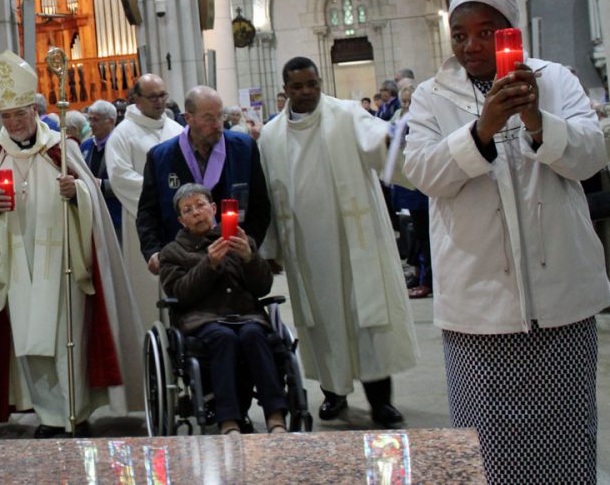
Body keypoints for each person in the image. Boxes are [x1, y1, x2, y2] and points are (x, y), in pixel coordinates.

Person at [403, 0, 610, 484]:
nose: (471, 45)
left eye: (486, 32)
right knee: (489, 441)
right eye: (460, 34)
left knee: (566, 436)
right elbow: (423, 172)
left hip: (561, 294)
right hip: (478, 303)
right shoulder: (432, 98)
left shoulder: (555, 80)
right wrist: (482, 131)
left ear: (510, 33)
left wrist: (537, 119)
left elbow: (590, 156)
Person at [0, 50, 142, 438]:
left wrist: (75, 191)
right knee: (30, 344)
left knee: (67, 340)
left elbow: (91, 199)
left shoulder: (62, 150)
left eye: (20, 115)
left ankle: (74, 412)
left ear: (34, 110)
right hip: (16, 265)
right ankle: (48, 415)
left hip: (62, 262)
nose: (13, 123)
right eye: (6, 117)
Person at [258, 56, 417, 429]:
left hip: (354, 240)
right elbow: (268, 194)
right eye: (297, 86)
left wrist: (393, 140)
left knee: (368, 319)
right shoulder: (270, 136)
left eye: (312, 83)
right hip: (309, 251)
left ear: (319, 81)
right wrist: (271, 250)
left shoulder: (346, 114)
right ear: (285, 90)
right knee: (324, 323)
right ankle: (334, 394)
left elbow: (380, 141)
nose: (306, 91)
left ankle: (381, 403)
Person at [158, 183, 286, 435]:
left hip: (246, 315)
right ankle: (228, 418)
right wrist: (209, 264)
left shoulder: (239, 239)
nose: (196, 213)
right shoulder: (173, 252)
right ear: (181, 220)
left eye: (201, 205)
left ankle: (275, 414)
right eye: (188, 209)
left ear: (213, 208)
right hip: (203, 320)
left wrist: (250, 258)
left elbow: (263, 286)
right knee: (223, 337)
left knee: (254, 334)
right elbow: (180, 294)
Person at [138, 86, 270, 276]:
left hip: (235, 258)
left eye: (220, 116)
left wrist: (248, 245)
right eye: (208, 118)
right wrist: (153, 252)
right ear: (188, 118)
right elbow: (148, 213)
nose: (217, 124)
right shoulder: (161, 157)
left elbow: (260, 205)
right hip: (183, 263)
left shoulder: (244, 148)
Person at [105, 73, 183, 328]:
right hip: (143, 221)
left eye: (163, 96)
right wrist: (163, 198)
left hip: (181, 221)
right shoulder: (122, 134)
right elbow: (120, 178)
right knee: (148, 295)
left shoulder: (177, 130)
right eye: (153, 97)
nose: (159, 102)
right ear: (136, 100)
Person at [383, 86, 431, 299]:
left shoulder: (423, 119)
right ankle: (418, 273)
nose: (405, 106)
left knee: (424, 234)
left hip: (419, 186)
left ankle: (427, 280)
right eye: (403, 102)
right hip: (406, 185)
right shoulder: (399, 117)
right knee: (414, 233)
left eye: (409, 102)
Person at [79, 100, 122, 240]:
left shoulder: (121, 145)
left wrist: (102, 185)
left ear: (110, 121)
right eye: (89, 119)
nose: (91, 124)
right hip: (93, 214)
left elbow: (128, 180)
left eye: (95, 120)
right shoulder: (86, 146)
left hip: (116, 215)